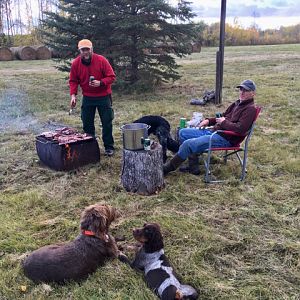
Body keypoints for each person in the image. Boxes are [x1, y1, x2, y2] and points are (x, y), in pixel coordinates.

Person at [163, 79, 257, 175]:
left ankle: (167, 168)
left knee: (187, 144)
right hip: (214, 132)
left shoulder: (250, 109)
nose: (242, 92)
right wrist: (208, 121)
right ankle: (193, 167)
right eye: (241, 89)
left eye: (246, 90)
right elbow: (222, 116)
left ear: (253, 93)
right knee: (183, 132)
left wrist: (223, 122)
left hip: (225, 139)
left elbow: (240, 129)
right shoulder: (237, 103)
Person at [69, 39, 116, 156]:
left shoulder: (101, 60)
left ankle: (109, 147)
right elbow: (73, 81)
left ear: (91, 49)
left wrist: (101, 83)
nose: (85, 52)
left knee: (107, 122)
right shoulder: (76, 63)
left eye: (87, 49)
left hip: (103, 96)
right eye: (83, 50)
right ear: (79, 50)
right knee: (87, 123)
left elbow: (111, 77)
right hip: (88, 97)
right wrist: (73, 95)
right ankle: (90, 147)